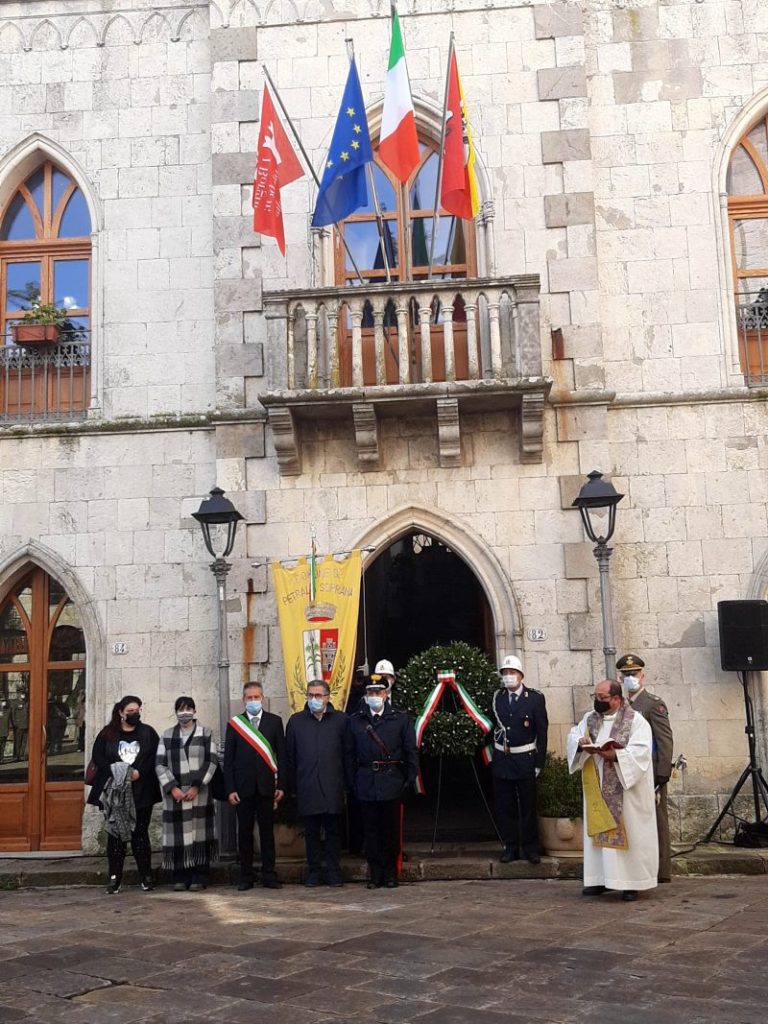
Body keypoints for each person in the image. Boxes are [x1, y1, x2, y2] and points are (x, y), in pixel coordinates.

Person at [566, 679, 658, 902]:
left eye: (602, 698)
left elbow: (642, 752)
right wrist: (581, 741)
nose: (597, 701)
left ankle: (630, 883)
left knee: (631, 833)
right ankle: (599, 879)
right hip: (598, 787)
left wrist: (616, 755)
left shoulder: (636, 721)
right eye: (595, 696)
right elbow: (573, 734)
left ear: (616, 699)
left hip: (627, 791)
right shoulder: (590, 719)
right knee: (599, 832)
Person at [87, 695, 161, 894]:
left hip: (141, 791)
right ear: (121, 712)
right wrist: (115, 771)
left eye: (137, 710)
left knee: (140, 833)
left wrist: (138, 772)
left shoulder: (148, 732)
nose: (134, 714)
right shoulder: (107, 734)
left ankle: (146, 876)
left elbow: (154, 756)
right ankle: (114, 878)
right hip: (114, 792)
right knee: (115, 835)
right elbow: (98, 756)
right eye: (130, 711)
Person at [349, 677, 418, 889]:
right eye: (371, 693)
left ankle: (390, 873)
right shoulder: (356, 720)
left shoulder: (400, 719)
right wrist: (352, 781)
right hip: (366, 780)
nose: (375, 697)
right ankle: (375, 873)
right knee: (371, 831)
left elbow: (410, 751)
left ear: (386, 695)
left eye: (378, 693)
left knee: (390, 831)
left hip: (391, 781)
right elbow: (349, 753)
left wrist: (409, 779)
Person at [286, 679, 353, 887]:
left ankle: (333, 871)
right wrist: (290, 787)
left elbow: (348, 754)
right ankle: (314, 871)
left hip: (333, 785)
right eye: (311, 695)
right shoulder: (296, 721)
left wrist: (348, 785)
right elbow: (290, 757)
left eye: (318, 695)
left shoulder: (341, 720)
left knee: (333, 832)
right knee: (312, 833)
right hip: (307, 786)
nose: (315, 699)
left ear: (327, 697)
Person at [616, 653, 674, 884]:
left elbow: (664, 739)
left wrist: (663, 772)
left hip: (650, 770)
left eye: (635, 674)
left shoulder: (652, 704)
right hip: (627, 769)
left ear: (643, 676)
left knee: (657, 818)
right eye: (626, 674)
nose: (631, 678)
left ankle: (663, 869)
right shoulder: (619, 705)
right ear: (620, 678)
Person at [223, 681, 286, 891]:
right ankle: (246, 876)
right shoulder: (235, 724)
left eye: (256, 697)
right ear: (243, 700)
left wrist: (282, 784)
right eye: (249, 698)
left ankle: (269, 874)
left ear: (262, 698)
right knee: (245, 833)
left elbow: (282, 756)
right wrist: (230, 789)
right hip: (243, 789)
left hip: (268, 787)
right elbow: (229, 760)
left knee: (267, 833)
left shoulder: (275, 722)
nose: (253, 701)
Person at [155, 696, 218, 892]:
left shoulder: (206, 733)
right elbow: (159, 763)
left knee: (199, 835)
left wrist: (196, 785)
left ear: (194, 710)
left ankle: (200, 875)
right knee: (178, 837)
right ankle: (180, 876)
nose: (185, 712)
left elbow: (212, 761)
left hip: (199, 794)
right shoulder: (166, 735)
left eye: (188, 708)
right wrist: (172, 787)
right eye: (181, 709)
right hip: (175, 795)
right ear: (176, 712)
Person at [490, 655, 548, 864]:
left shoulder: (534, 698)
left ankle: (530, 848)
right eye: (505, 673)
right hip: (503, 759)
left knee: (528, 806)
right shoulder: (497, 697)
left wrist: (539, 762)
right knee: (506, 807)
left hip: (525, 759)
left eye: (512, 673)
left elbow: (542, 731)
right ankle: (511, 847)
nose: (508, 677)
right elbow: (491, 728)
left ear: (521, 675)